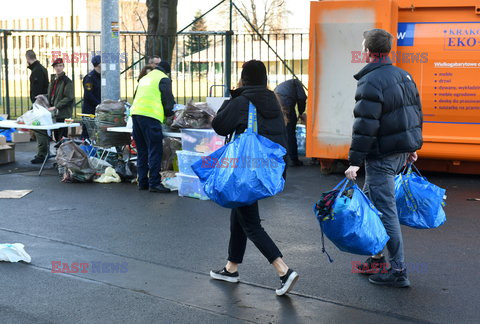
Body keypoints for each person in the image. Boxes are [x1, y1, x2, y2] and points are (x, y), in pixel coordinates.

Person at [210, 60, 299, 296]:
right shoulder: (273, 100)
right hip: (266, 170)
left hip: (245, 171)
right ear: (265, 79)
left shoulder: (241, 101)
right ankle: (231, 268)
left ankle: (284, 270)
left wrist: (233, 97)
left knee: (250, 222)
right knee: (239, 215)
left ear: (244, 78)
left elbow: (219, 125)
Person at [344, 29, 423, 287]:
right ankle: (377, 258)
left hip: (382, 157)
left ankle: (398, 271)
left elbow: (365, 125)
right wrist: (411, 148)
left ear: (367, 50)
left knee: (385, 211)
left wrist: (354, 161)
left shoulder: (371, 81)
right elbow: (413, 114)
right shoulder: (404, 76)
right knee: (372, 203)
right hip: (399, 154)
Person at [130, 61, 175, 193]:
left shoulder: (145, 77)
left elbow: (135, 96)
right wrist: (170, 114)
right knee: (155, 149)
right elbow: (168, 100)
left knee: (142, 150)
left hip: (136, 114)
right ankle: (154, 182)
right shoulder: (163, 78)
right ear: (167, 71)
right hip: (150, 116)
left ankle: (142, 181)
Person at [274, 79, 307, 167]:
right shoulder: (297, 84)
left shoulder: (287, 84)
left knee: (283, 132)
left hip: (277, 101)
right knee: (290, 132)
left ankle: (283, 157)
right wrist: (301, 112)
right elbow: (302, 98)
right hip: (284, 102)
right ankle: (293, 159)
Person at [26, 50, 50, 164]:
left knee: (40, 129)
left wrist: (35, 103)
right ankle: (44, 152)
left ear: (27, 58)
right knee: (41, 129)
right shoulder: (41, 69)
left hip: (39, 103)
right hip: (42, 102)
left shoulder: (37, 71)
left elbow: (38, 90)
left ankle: (42, 154)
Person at [81, 55, 101, 139]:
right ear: (98, 64)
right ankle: (84, 150)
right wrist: (99, 104)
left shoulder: (102, 76)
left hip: (98, 110)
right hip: (90, 110)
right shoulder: (89, 78)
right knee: (88, 132)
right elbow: (88, 95)